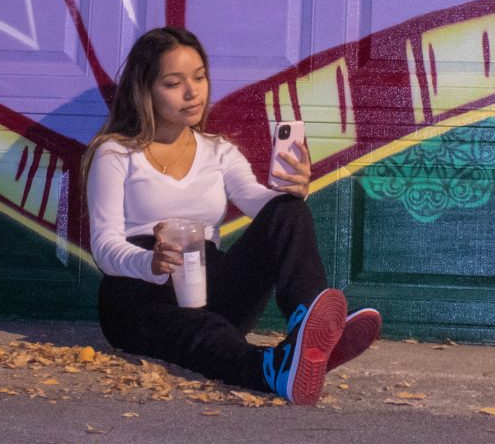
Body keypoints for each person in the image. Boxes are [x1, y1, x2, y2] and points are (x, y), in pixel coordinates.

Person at [83, 27, 381, 405]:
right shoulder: (115, 153)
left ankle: (306, 327)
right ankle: (272, 369)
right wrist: (150, 262)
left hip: (208, 281)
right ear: (145, 90)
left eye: (199, 77)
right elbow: (104, 245)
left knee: (288, 211)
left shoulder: (218, 151)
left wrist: (293, 190)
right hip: (139, 291)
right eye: (174, 83)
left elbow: (257, 200)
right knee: (205, 333)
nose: (192, 92)